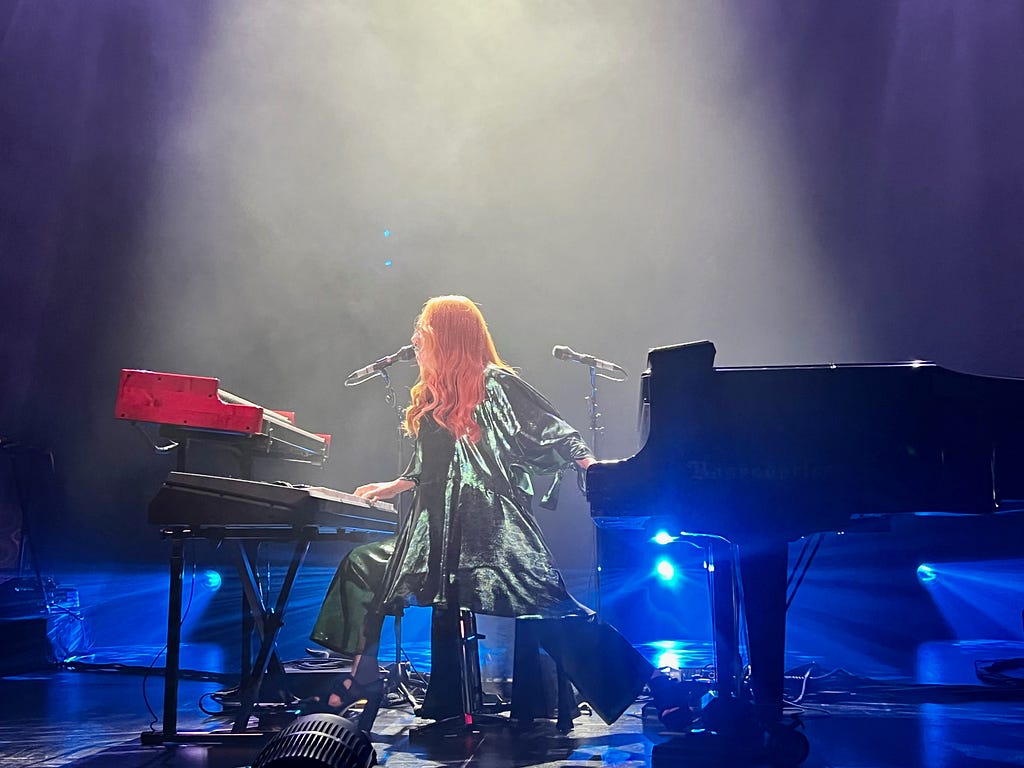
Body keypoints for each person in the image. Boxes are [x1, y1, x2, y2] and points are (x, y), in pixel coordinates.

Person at [307, 295, 653, 730]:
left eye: (425, 329)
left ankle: (643, 684)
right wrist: (394, 484)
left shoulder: (495, 383)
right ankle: (365, 674)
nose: (416, 338)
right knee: (363, 565)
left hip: (493, 535)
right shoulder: (436, 394)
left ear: (448, 336)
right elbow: (432, 465)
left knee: (549, 612)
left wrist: (594, 468)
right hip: (435, 541)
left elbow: (554, 431)